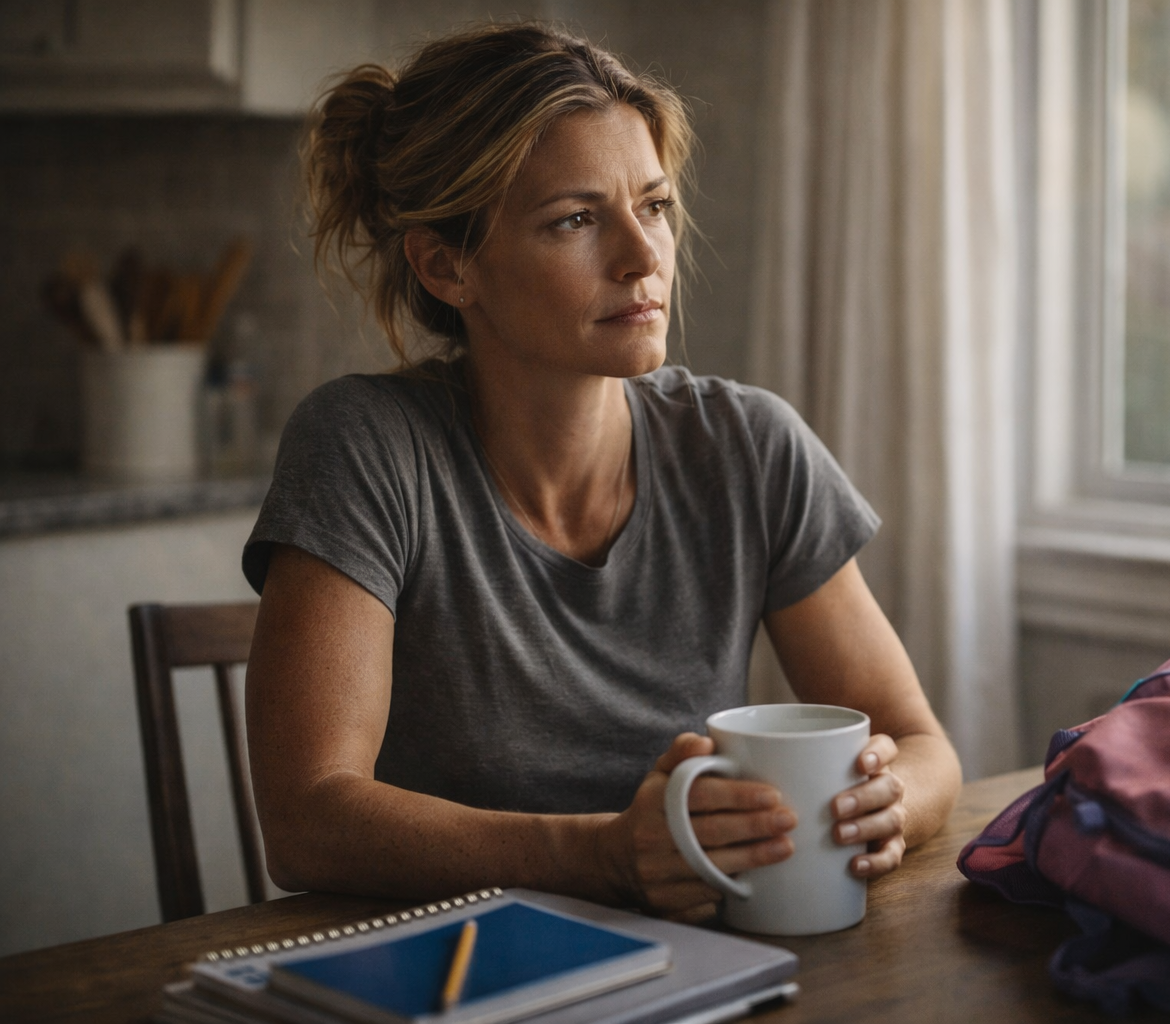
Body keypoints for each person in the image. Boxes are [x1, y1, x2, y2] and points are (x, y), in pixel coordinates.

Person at [242, 21, 961, 919]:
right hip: (453, 971)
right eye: (576, 219)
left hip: (702, 959)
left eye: (654, 206)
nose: (643, 256)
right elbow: (307, 821)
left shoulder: (748, 445)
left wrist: (893, 803)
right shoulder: (364, 447)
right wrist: (603, 856)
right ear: (446, 264)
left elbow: (919, 742)